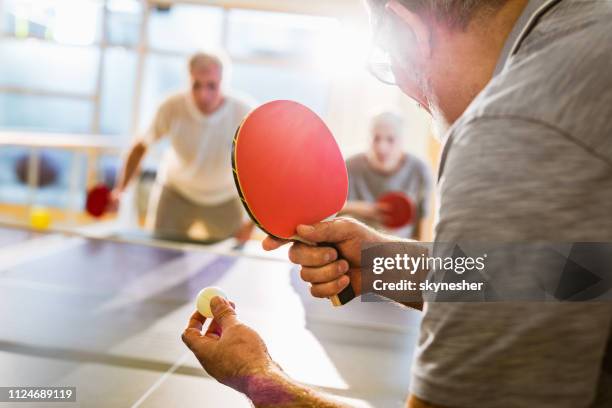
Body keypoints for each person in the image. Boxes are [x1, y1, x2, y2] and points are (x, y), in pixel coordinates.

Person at [183, 1, 612, 407]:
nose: (416, 100)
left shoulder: (510, 131)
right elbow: (573, 275)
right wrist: (381, 264)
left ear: (409, 31)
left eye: (388, 64)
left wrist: (260, 378)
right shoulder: (590, 33)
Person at [113, 52, 254, 242]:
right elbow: (140, 147)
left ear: (223, 82)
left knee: (226, 262)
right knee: (156, 252)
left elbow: (265, 167)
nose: (203, 94)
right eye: (196, 85)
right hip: (175, 194)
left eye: (212, 85)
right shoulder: (171, 106)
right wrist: (120, 191)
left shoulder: (244, 112)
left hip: (225, 199)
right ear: (188, 80)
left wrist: (252, 221)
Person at [342, 111, 432, 239]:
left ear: (402, 141)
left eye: (390, 139)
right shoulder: (348, 166)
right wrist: (362, 209)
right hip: (351, 245)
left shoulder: (420, 170)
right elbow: (328, 212)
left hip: (397, 251)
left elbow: (423, 225)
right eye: (376, 138)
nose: (381, 147)